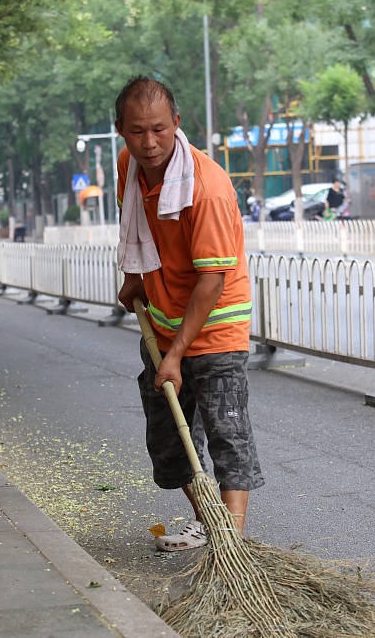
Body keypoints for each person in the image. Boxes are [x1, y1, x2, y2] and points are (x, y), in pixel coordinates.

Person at [114, 75, 262, 552]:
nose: (149, 142)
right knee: (169, 443)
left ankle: (230, 549)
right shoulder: (129, 167)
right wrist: (135, 280)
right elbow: (140, 229)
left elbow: (212, 280)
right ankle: (209, 523)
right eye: (137, 131)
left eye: (159, 129)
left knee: (227, 438)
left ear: (176, 124)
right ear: (121, 130)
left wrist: (176, 355)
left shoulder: (208, 188)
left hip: (215, 325)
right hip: (161, 322)